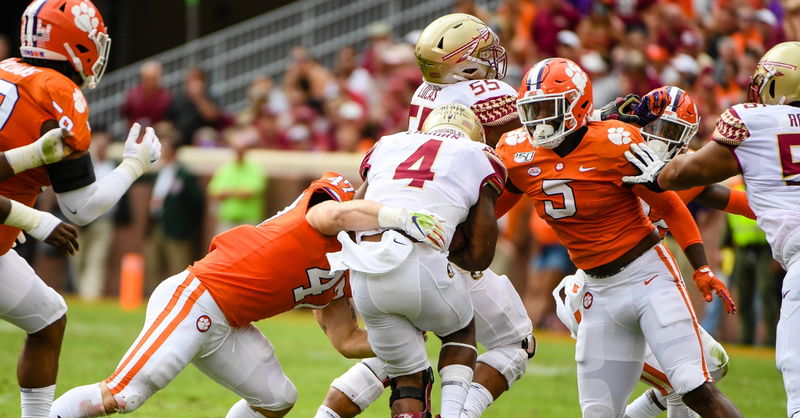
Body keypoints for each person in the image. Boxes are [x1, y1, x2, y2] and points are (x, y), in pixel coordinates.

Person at [50, 173, 447, 418]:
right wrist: (396, 216)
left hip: (232, 325)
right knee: (124, 395)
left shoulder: (349, 270)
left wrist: (406, 337)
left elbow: (346, 341)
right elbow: (336, 217)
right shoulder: (334, 204)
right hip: (197, 297)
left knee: (277, 399)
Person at [495, 58, 742, 417]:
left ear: (578, 105)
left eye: (549, 109)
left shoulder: (617, 142)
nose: (539, 121)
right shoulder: (516, 150)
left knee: (694, 385)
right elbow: (496, 206)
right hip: (595, 290)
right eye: (533, 110)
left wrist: (701, 268)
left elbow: (672, 206)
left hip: (648, 276)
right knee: (599, 412)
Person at [316, 19, 535, 417]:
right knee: (511, 342)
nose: (492, 61)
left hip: (380, 244)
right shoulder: (494, 97)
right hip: (446, 238)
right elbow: (530, 148)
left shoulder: (421, 96)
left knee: (401, 353)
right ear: (463, 65)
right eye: (482, 54)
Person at [622, 41, 800, 418]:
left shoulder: (752, 122)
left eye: (676, 130)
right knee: (693, 371)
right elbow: (728, 200)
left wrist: (661, 174)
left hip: (643, 282)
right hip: (604, 282)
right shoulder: (610, 150)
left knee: (707, 368)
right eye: (658, 127)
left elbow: (686, 187)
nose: (666, 137)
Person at [1, 2, 161, 416]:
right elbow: (82, 207)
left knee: (48, 316)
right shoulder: (55, 92)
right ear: (74, 41)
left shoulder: (4, 71)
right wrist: (134, 165)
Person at [327, 104, 506, 418]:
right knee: (459, 331)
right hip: (418, 257)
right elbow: (481, 255)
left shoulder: (388, 144)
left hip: (365, 271)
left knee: (407, 375)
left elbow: (357, 207)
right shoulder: (477, 153)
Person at [409, 13, 520, 147]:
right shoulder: (487, 94)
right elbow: (518, 142)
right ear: (463, 66)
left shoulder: (423, 89)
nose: (490, 58)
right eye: (485, 54)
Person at [145, 122, 203, 293]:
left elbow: (195, 202)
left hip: (177, 229)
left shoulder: (184, 174)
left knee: (178, 267)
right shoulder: (159, 172)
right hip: (157, 224)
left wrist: (187, 225)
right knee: (153, 264)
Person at [207, 126, 266, 234]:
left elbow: (249, 193)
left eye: (241, 149)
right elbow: (214, 191)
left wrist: (228, 192)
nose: (238, 152)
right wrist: (237, 192)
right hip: (227, 219)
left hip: (248, 221)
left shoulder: (254, 169)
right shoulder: (225, 168)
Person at [120, 60, 171, 128]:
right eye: (148, 79)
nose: (151, 83)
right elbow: (126, 113)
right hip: (136, 131)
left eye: (153, 79)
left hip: (156, 132)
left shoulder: (166, 96)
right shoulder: (133, 94)